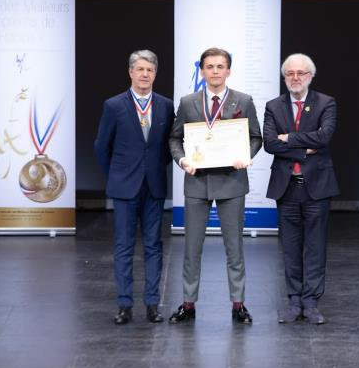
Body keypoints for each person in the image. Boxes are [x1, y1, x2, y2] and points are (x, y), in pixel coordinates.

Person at [168, 47, 262, 324]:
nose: (215, 71)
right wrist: (182, 160)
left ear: (229, 71)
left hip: (231, 183)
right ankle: (188, 304)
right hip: (196, 182)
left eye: (220, 66)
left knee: (234, 249)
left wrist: (245, 156)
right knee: (191, 248)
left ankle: (238, 304)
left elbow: (256, 137)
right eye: (210, 66)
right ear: (202, 71)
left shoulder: (243, 100)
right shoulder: (188, 102)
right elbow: (174, 138)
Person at [94, 49, 175, 325]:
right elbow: (101, 147)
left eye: (150, 70)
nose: (145, 74)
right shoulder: (114, 105)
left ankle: (152, 304)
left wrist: (150, 170)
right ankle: (124, 304)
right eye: (140, 69)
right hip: (124, 187)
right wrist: (117, 175)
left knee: (154, 246)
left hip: (153, 186)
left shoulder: (166, 105)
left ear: (155, 74)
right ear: (130, 72)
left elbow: (168, 147)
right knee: (124, 246)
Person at [263, 53, 339, 324]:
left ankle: (311, 301)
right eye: (290, 74)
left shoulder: (326, 103)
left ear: (311, 76)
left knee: (316, 247)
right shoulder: (273, 106)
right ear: (284, 77)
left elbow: (324, 137)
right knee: (290, 247)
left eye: (301, 73)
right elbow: (270, 143)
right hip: (287, 187)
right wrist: (305, 148)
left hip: (316, 187)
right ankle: (294, 300)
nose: (295, 78)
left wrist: (290, 139)